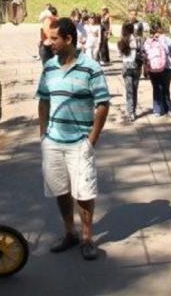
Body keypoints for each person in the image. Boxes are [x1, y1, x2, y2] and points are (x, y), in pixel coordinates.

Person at [36, 17, 110, 261]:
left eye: (54, 38)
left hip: (80, 141)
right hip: (54, 141)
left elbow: (102, 104)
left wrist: (91, 140)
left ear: (69, 39)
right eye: (49, 38)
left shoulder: (91, 67)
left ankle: (87, 238)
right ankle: (70, 233)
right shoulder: (49, 68)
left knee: (84, 191)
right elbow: (44, 100)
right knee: (61, 189)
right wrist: (43, 134)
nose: (49, 43)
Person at [142, 23, 171, 117]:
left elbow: (145, 55)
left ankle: (157, 109)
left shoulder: (148, 41)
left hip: (153, 68)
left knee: (156, 88)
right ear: (161, 29)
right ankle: (167, 108)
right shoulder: (167, 40)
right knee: (166, 88)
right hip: (167, 67)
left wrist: (145, 69)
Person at [117, 22, 143, 122]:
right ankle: (134, 111)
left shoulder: (121, 41)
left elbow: (119, 55)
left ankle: (130, 112)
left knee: (129, 91)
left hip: (126, 67)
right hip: (136, 66)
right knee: (135, 90)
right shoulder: (137, 39)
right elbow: (141, 50)